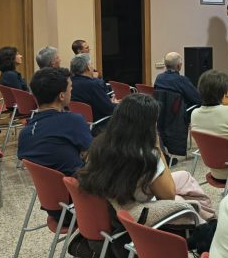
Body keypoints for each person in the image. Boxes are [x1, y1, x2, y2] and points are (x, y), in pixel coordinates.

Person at [77, 93, 214, 223]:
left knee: (185, 176)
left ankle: (209, 217)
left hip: (120, 198)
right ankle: (206, 223)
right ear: (146, 126)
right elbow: (168, 196)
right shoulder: (146, 156)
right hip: (137, 209)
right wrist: (157, 147)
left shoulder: (100, 143)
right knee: (183, 200)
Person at [17, 67, 92, 214]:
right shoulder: (72, 120)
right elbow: (95, 154)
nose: (72, 91)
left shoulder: (25, 133)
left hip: (55, 208)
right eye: (70, 88)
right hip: (83, 204)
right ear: (62, 96)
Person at [69, 53, 116, 121]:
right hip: (98, 123)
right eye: (91, 64)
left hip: (77, 122)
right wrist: (117, 104)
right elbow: (109, 110)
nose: (93, 68)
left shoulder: (69, 82)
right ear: (88, 67)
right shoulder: (93, 85)